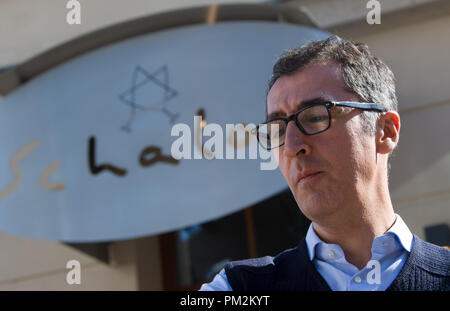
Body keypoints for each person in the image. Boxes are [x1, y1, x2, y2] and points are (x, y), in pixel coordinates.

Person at [199, 35, 450, 291]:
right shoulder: (237, 288)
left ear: (384, 131)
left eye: (316, 116)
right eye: (279, 129)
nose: (293, 146)